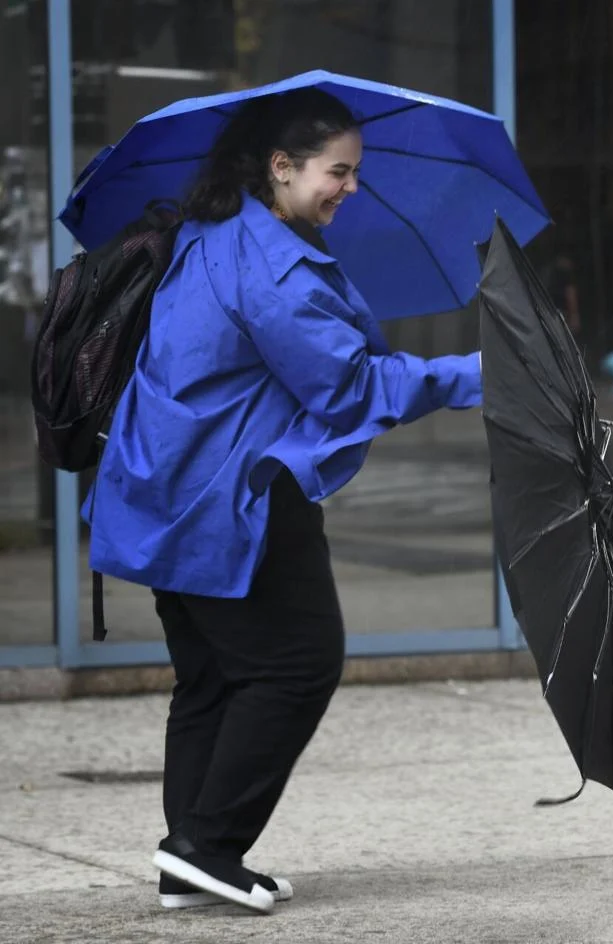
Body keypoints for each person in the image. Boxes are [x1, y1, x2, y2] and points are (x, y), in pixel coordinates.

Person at [84, 88, 483, 914]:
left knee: (212, 681)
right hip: (233, 501)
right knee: (299, 665)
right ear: (281, 166)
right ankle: (207, 844)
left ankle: (190, 862)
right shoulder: (272, 264)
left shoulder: (209, 237)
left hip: (164, 495)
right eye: (339, 171)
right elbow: (346, 386)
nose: (351, 188)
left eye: (355, 173)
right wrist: (481, 372)